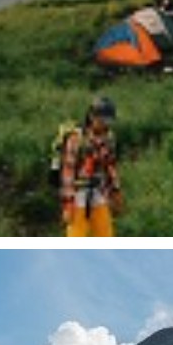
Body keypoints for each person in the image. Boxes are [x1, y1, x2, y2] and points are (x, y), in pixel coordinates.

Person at [59, 96, 123, 238]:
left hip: (100, 192)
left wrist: (116, 191)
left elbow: (110, 166)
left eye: (109, 121)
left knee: (106, 235)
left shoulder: (109, 138)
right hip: (78, 196)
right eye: (102, 120)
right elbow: (67, 174)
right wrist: (68, 205)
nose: (106, 124)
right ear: (92, 117)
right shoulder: (76, 139)